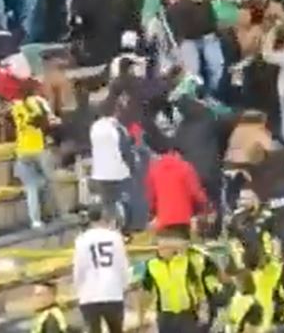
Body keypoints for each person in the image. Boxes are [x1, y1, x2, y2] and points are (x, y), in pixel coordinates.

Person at [73, 204, 130, 333]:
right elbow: (122, 264)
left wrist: (78, 289)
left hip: (89, 293)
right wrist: (125, 285)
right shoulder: (115, 237)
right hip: (113, 291)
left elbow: (78, 268)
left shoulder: (81, 240)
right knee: (116, 329)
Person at [12, 81, 60, 229]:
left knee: (31, 187)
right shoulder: (38, 101)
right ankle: (56, 214)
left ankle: (36, 221)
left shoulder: (16, 106)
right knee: (50, 181)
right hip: (39, 148)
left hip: (22, 150)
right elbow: (49, 122)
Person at [140, 233, 202, 333]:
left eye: (167, 246)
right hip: (165, 313)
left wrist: (200, 304)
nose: (163, 248)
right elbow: (146, 290)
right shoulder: (151, 265)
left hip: (186, 312)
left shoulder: (185, 261)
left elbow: (196, 284)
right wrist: (143, 315)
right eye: (160, 246)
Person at [145, 144, 208, 236]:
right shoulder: (185, 167)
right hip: (183, 220)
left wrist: (154, 213)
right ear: (176, 153)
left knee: (165, 246)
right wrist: (205, 206)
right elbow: (196, 193)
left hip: (163, 221)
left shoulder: (154, 169)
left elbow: (150, 197)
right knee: (182, 246)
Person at [89, 97, 133, 226]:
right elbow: (126, 150)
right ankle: (122, 227)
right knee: (123, 201)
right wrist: (132, 168)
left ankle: (110, 226)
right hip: (118, 172)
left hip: (100, 172)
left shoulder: (95, 127)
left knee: (108, 203)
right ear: (116, 111)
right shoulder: (118, 128)